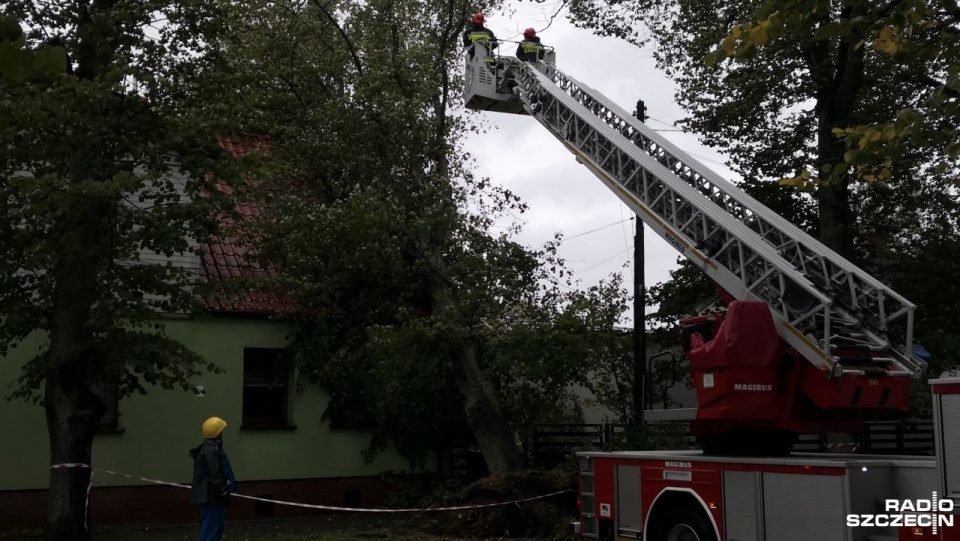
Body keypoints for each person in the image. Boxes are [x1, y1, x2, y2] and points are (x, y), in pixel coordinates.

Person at [189, 416, 237, 541]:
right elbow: (214, 474)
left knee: (214, 530)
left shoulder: (210, 448)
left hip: (211, 495)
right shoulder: (211, 450)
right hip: (213, 496)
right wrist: (224, 492)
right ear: (218, 433)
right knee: (210, 531)